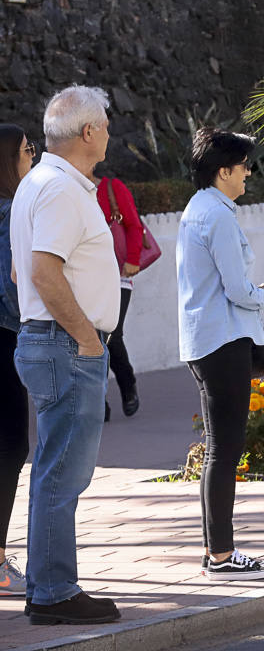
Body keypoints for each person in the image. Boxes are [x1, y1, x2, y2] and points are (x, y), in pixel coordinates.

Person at [11, 86, 121, 623]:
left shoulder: (43, 184)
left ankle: (48, 586)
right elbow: (41, 272)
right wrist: (85, 336)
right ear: (86, 133)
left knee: (55, 470)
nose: (108, 132)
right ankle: (54, 592)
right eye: (104, 124)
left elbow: (20, 273)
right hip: (65, 345)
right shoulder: (58, 190)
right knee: (61, 474)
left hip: (51, 340)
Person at [179, 128, 264, 582]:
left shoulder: (199, 209)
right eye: (243, 165)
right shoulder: (218, 216)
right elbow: (236, 289)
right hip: (222, 341)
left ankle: (217, 553)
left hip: (207, 340)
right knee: (224, 451)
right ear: (223, 171)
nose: (248, 172)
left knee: (218, 451)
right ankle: (222, 557)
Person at [0, 125, 35, 598]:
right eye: (29, 151)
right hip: (5, 335)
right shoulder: (11, 212)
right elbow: (11, 286)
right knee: (11, 446)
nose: (35, 157)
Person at [93, 169, 143, 420]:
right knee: (90, 338)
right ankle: (98, 399)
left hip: (118, 274)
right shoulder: (68, 190)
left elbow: (134, 224)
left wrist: (133, 259)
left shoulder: (112, 187)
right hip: (85, 279)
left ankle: (127, 384)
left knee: (111, 334)